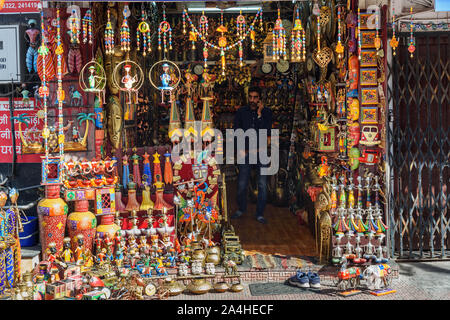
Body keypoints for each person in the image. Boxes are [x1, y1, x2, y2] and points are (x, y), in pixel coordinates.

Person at [231, 86, 272, 224]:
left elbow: (267, 131)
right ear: (248, 97)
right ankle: (241, 209)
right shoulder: (242, 112)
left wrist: (260, 114)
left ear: (260, 98)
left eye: (255, 97)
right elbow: (236, 131)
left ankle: (260, 213)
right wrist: (240, 150)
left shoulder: (266, 112)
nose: (253, 100)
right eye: (251, 97)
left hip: (261, 153)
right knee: (242, 183)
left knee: (262, 184)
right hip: (246, 153)